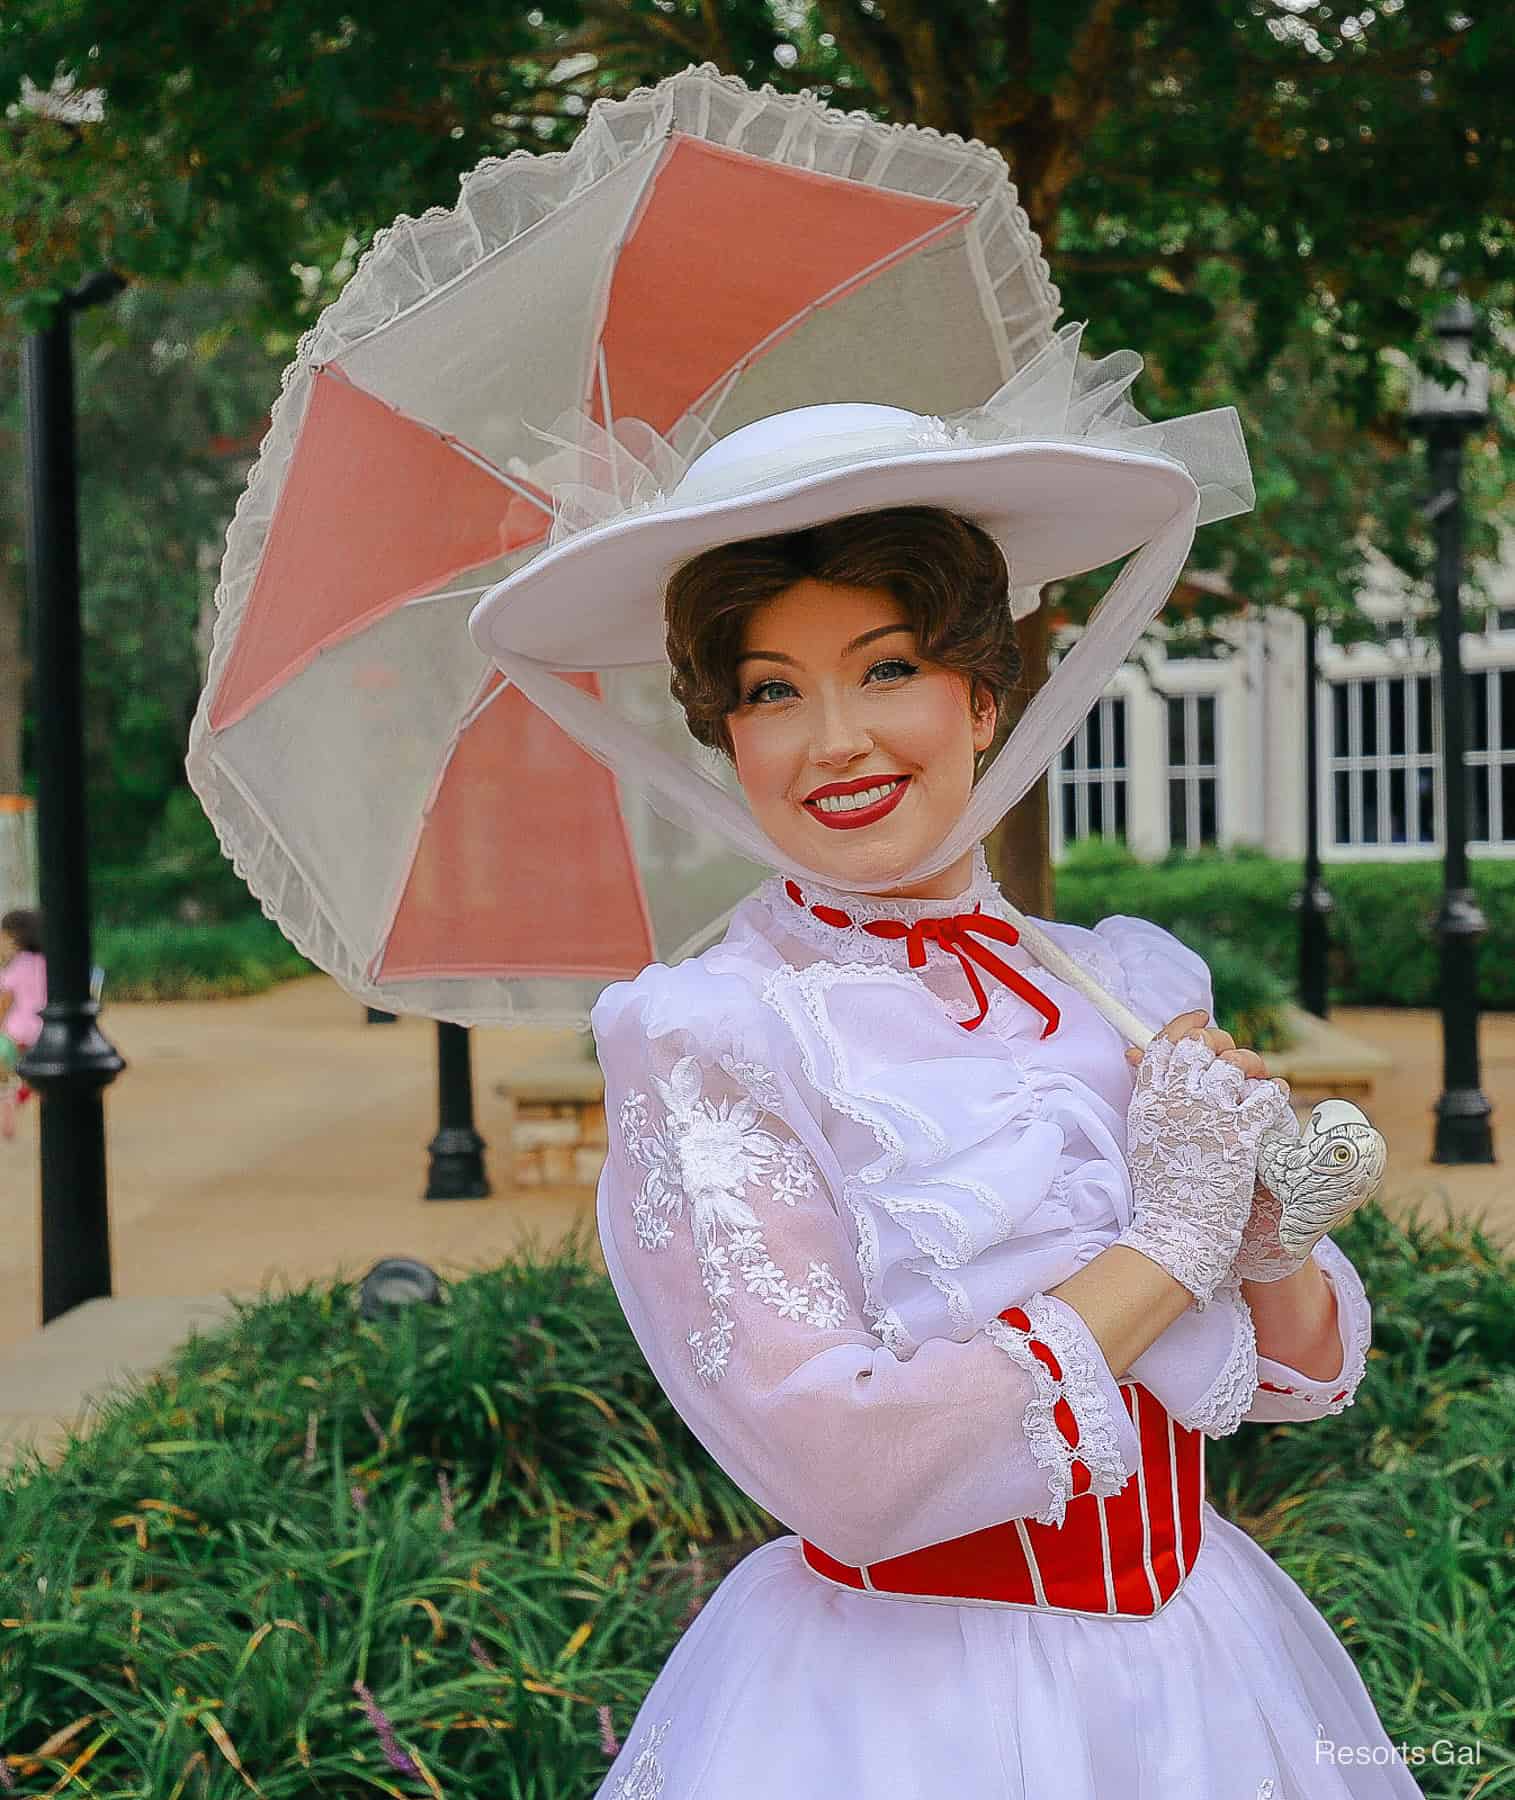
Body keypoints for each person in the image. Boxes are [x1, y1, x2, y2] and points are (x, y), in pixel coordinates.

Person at [470, 382, 1415, 1795]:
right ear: (726, 737)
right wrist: (1161, 1243)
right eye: (770, 693)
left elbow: (1301, 1380)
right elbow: (837, 1464)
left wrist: (1266, 1233)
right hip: (906, 1705)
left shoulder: (1127, 982)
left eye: (887, 667)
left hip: (1200, 1679)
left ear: (984, 693)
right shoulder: (710, 1032)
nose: (833, 738)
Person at [0, 907, 45, 1140]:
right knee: (37, 1076)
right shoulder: (47, 962)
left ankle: (9, 1102)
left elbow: (5, 1001)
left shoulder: (15, 967)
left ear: (16, 938)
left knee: (11, 1075)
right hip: (44, 1031)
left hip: (17, 1032)